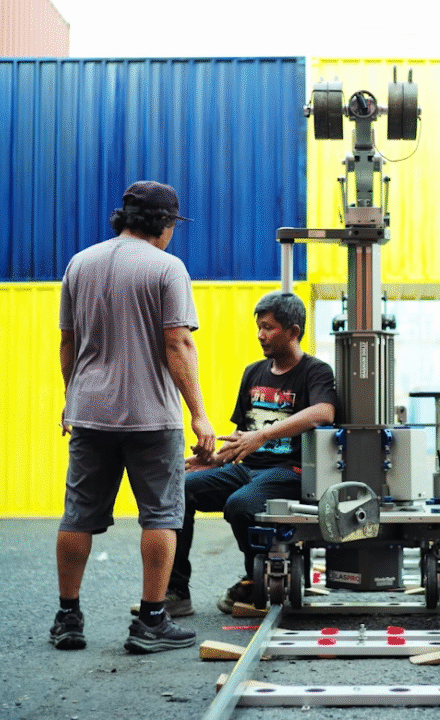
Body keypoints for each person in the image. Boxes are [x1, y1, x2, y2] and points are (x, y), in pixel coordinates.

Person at [52, 181, 215, 654]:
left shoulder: (79, 263)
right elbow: (178, 343)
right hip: (151, 416)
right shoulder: (167, 268)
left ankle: (68, 618)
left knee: (78, 515)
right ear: (163, 224)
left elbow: (68, 343)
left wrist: (72, 396)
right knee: (161, 516)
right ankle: (151, 621)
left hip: (90, 414)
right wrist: (200, 415)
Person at [165, 291, 338, 616]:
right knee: (180, 489)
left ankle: (256, 580)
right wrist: (213, 460)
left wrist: (264, 435)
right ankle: (175, 592)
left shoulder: (315, 372)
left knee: (241, 504)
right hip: (248, 469)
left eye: (268, 327)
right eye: (259, 327)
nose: (260, 334)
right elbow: (242, 438)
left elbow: (324, 412)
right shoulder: (253, 373)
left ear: (293, 331)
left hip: (291, 471)